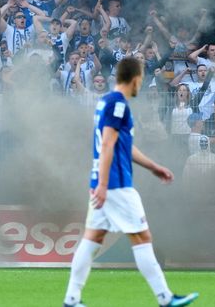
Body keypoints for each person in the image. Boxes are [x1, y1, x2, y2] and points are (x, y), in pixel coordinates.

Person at [62, 57, 197, 307]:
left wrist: (154, 167)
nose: (141, 84)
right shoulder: (118, 104)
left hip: (104, 183)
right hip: (116, 186)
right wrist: (104, 184)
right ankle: (165, 298)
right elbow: (107, 144)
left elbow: (123, 146)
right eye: (141, 79)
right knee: (142, 238)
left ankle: (71, 298)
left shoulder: (106, 102)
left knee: (91, 239)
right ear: (135, 78)